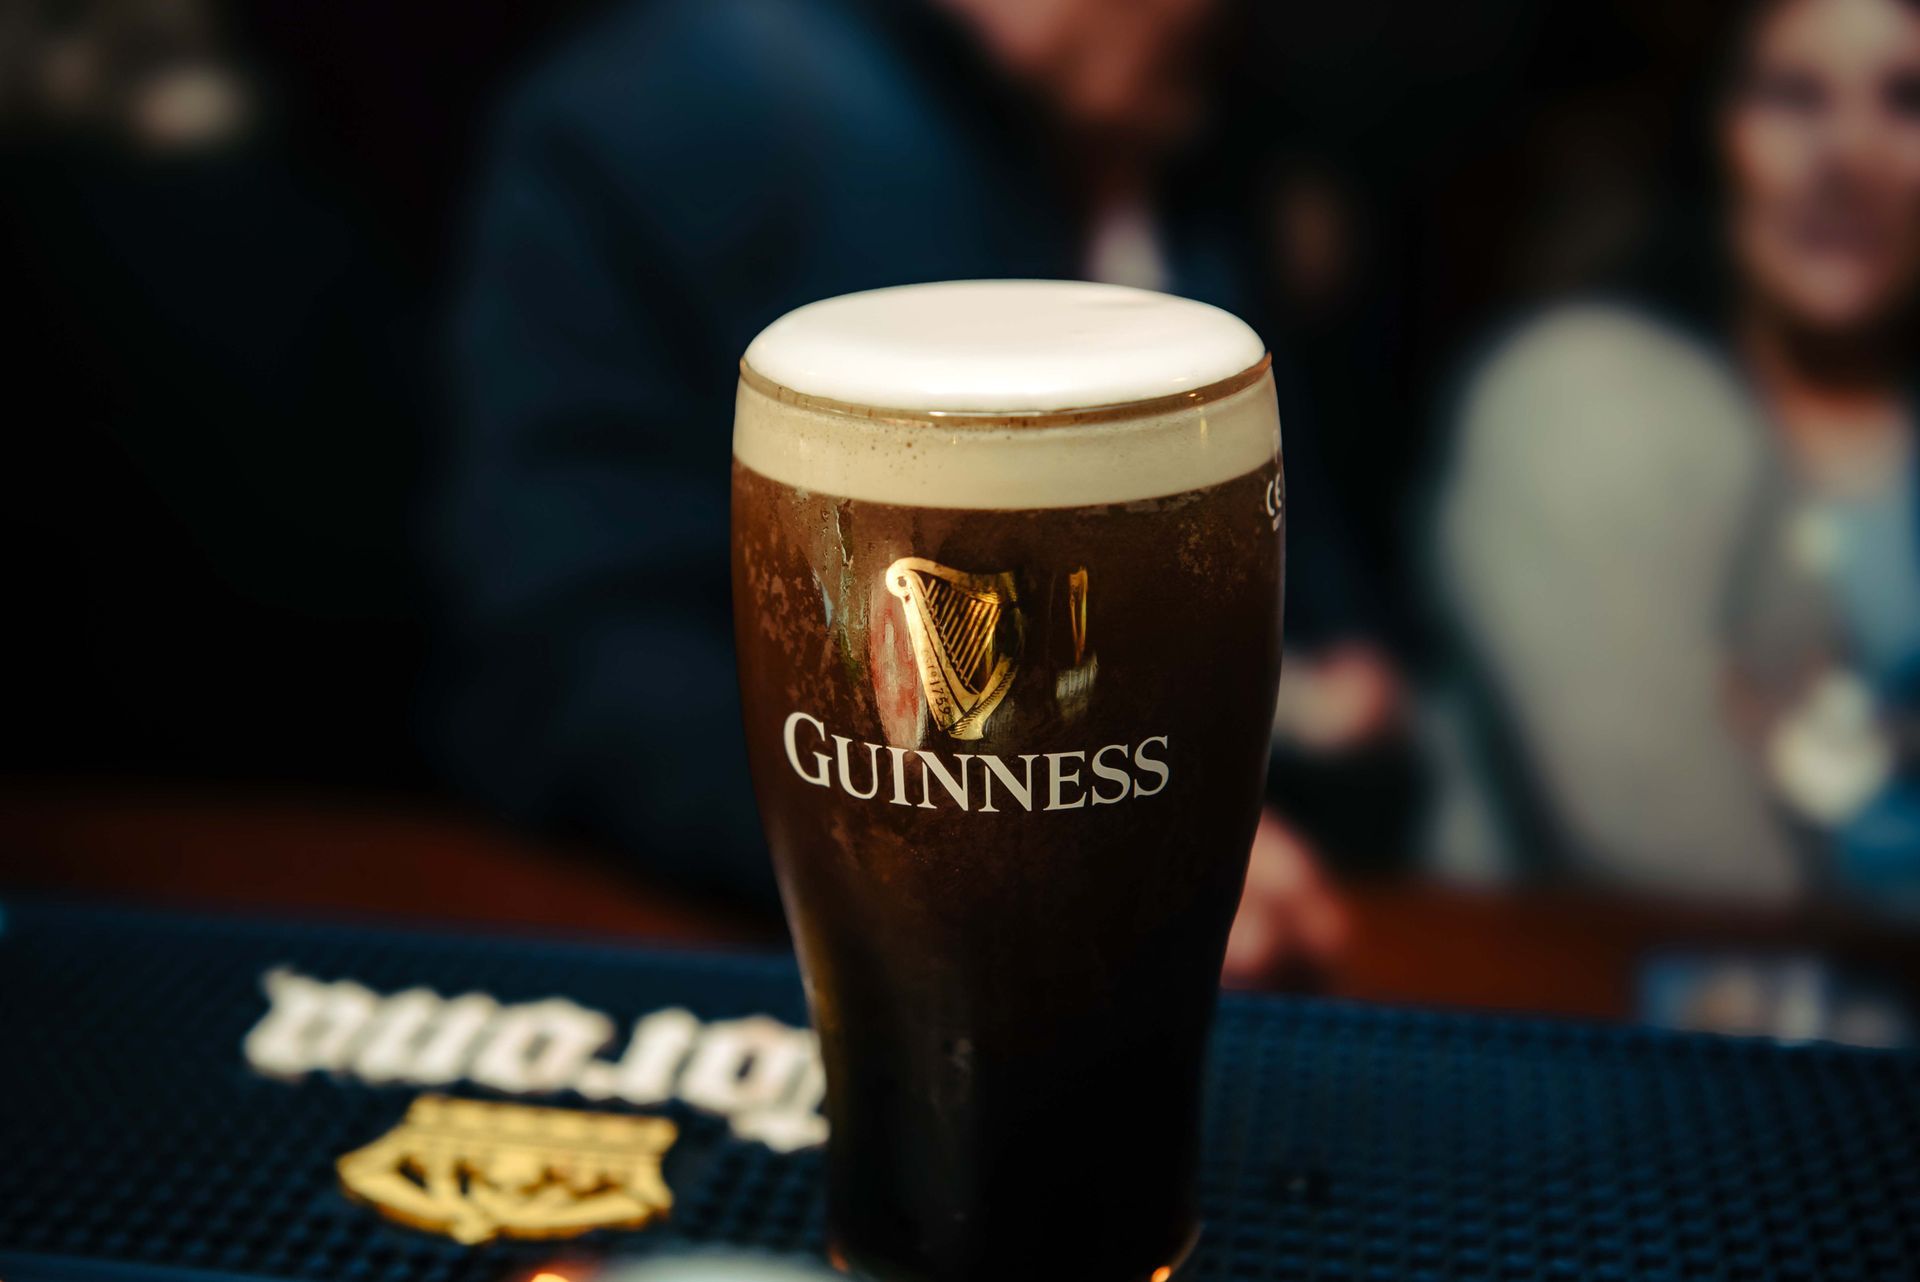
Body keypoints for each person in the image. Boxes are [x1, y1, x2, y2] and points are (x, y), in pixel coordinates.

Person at [435, 0, 1368, 975]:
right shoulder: (696, 111)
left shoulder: (1189, 148)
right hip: (736, 945)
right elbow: (565, 649)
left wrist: (1330, 703)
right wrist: (984, 853)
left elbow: (1298, 563)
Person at [1438, 0, 1920, 906]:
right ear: (1716, 131)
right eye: (1794, 95)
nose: (1849, 157)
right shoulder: (1593, 414)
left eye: (1906, 99)